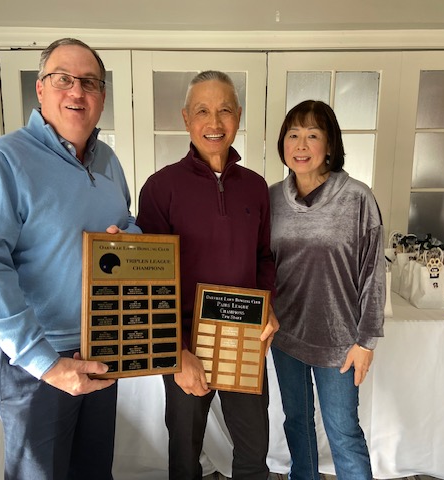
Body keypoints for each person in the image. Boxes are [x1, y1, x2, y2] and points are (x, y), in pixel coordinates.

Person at [0, 38, 141, 480]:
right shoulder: (2, 160)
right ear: (41, 89)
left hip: (101, 351)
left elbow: (127, 223)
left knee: (95, 472)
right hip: (35, 365)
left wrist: (127, 237)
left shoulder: (109, 161)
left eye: (90, 83)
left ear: (101, 98)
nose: (77, 92)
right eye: (63, 79)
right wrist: (48, 364)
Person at [136, 70, 279, 480]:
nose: (214, 124)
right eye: (202, 111)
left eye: (224, 111)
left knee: (254, 452)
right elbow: (150, 283)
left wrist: (268, 306)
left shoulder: (255, 188)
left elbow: (264, 257)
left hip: (245, 338)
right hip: (183, 344)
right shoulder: (160, 188)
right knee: (184, 454)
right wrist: (176, 351)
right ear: (186, 119)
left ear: (238, 118)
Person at [269, 100, 385, 480]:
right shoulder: (271, 199)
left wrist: (366, 342)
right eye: (293, 134)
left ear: (330, 146)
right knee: (297, 424)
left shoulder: (357, 198)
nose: (301, 145)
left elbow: (373, 275)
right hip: (285, 337)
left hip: (340, 342)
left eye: (313, 135)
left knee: (344, 432)